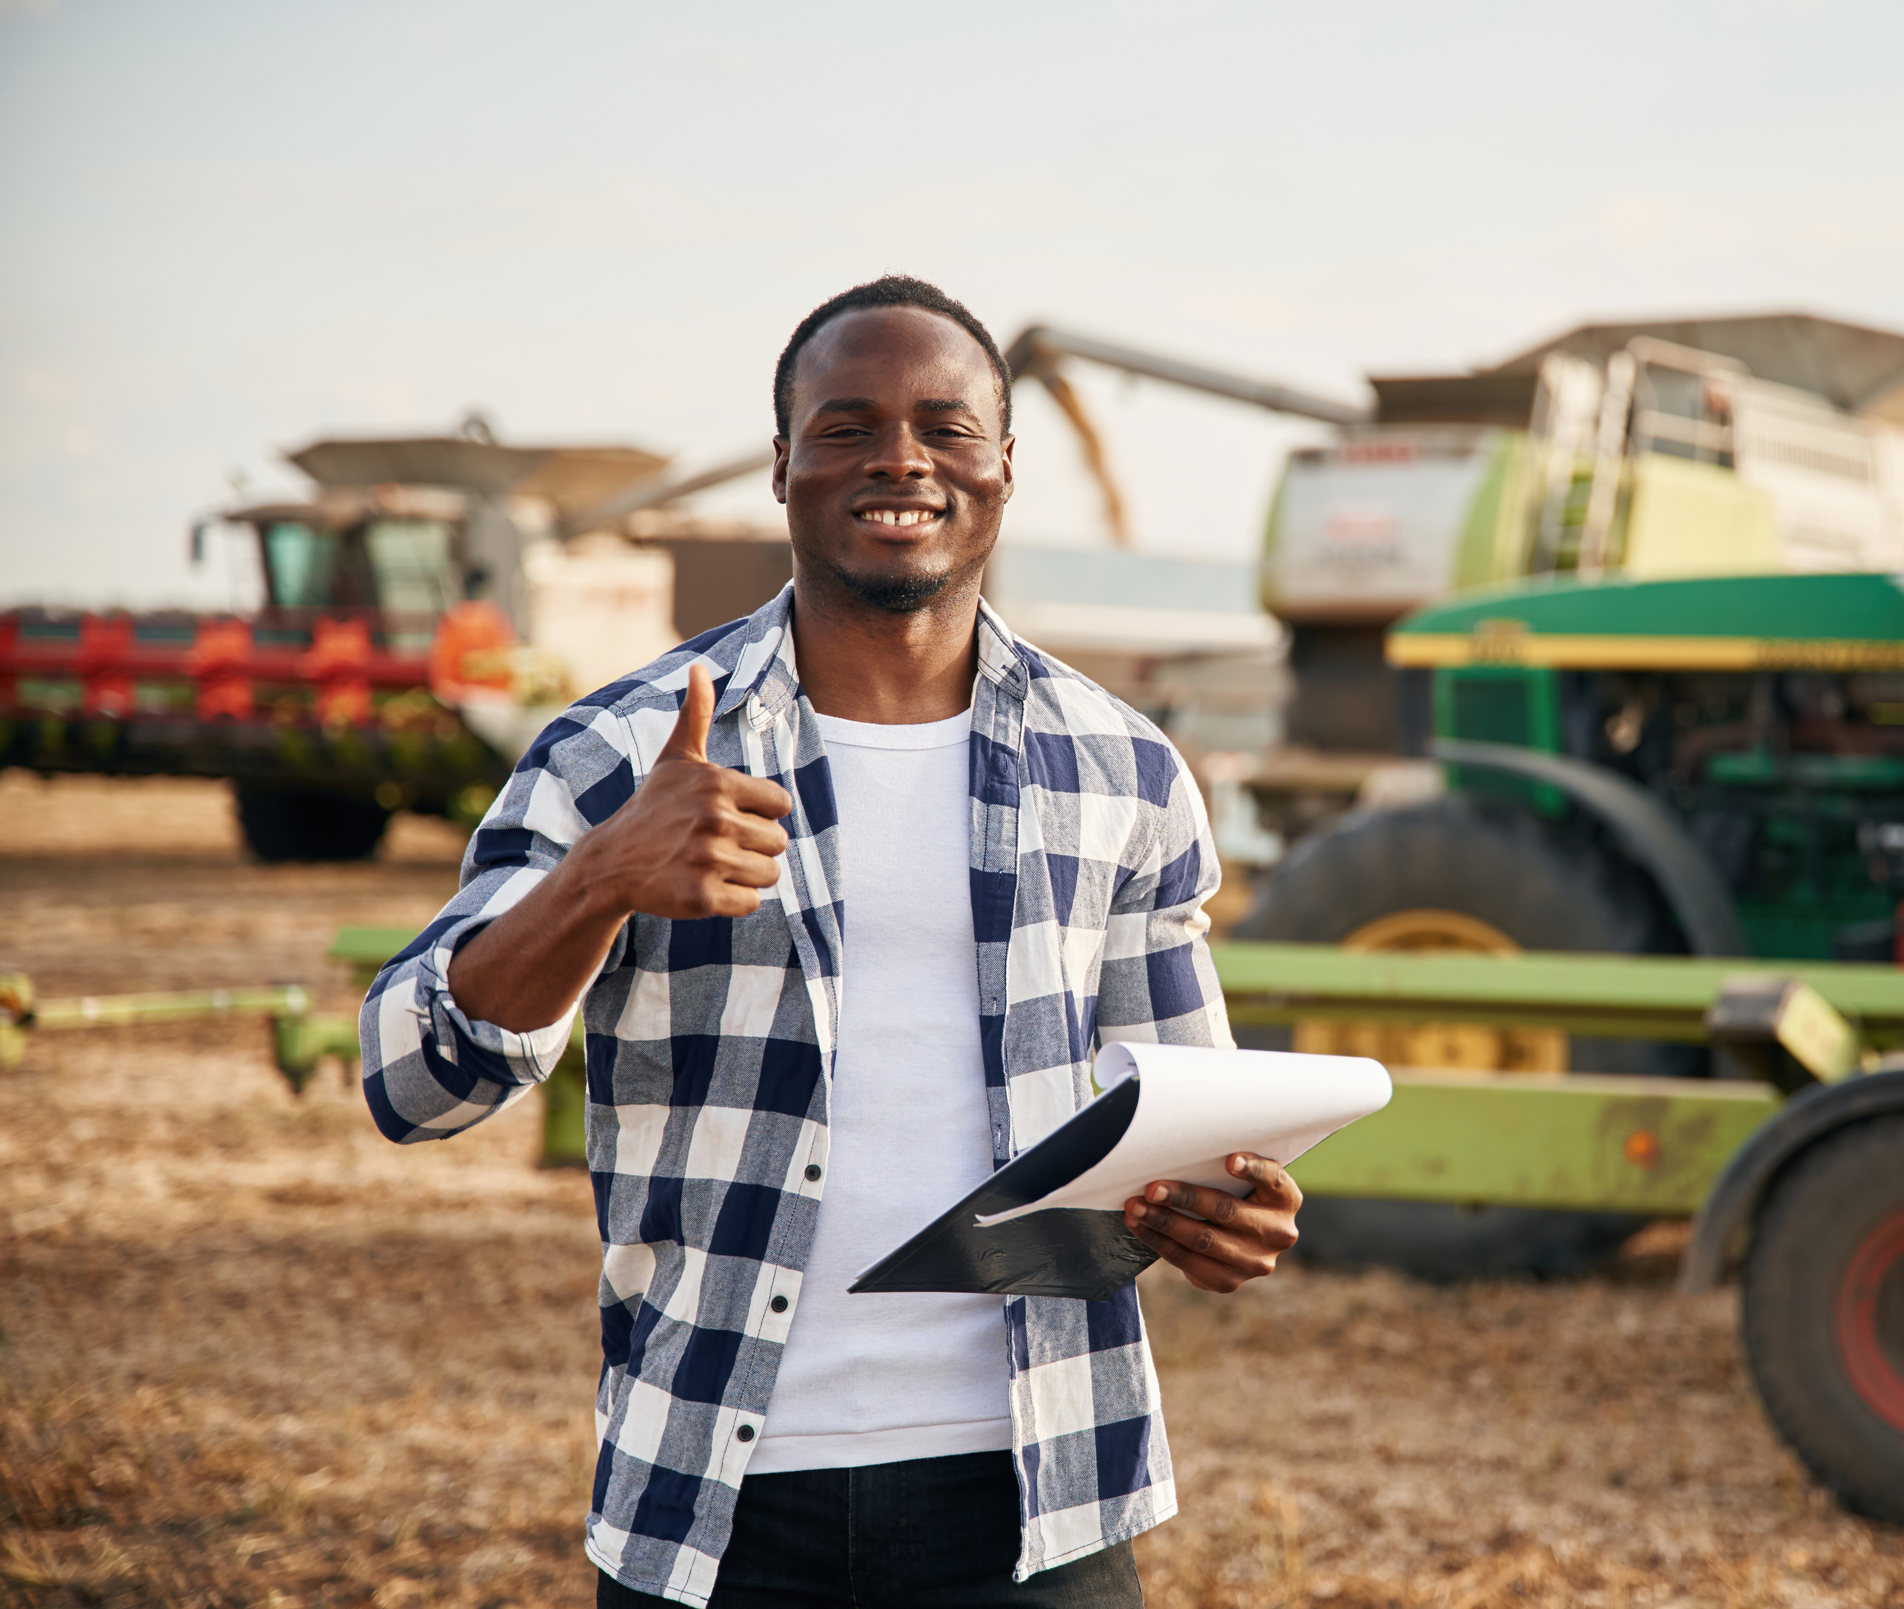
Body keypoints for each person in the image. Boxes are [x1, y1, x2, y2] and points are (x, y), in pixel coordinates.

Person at [358, 276, 1303, 1609]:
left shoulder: (1123, 769)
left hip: (1043, 1497)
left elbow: (1182, 1116)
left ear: (1003, 466)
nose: (900, 458)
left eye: (943, 426)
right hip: (713, 1505)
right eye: (848, 425)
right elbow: (413, 1084)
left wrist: (1217, 1212)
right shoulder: (618, 752)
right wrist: (600, 879)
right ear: (785, 464)